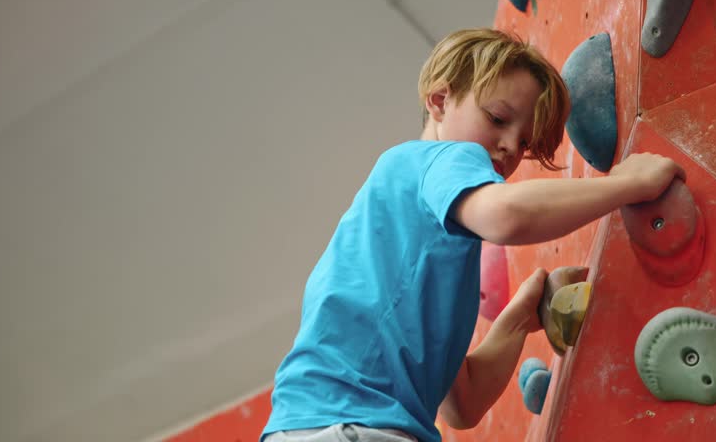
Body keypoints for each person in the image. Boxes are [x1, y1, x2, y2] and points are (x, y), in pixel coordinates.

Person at [261, 28, 684, 442]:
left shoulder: (420, 237)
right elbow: (507, 217)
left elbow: (462, 402)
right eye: (498, 119)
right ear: (441, 101)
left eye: (524, 144)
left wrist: (519, 318)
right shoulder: (439, 159)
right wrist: (629, 185)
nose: (508, 147)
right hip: (349, 425)